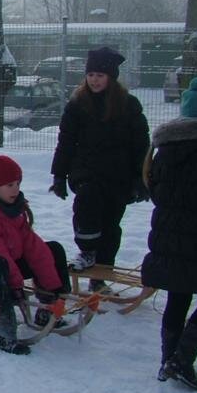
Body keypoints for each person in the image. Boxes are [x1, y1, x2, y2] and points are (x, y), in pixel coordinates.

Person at [49, 46, 151, 290]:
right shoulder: (77, 105)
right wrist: (59, 175)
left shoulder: (128, 105)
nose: (94, 80)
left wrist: (143, 179)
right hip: (86, 171)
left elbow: (141, 145)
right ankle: (87, 251)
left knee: (111, 225)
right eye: (91, 75)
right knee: (87, 203)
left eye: (100, 75)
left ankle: (101, 275)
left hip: (119, 175)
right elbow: (66, 142)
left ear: (111, 77)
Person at [0, 155, 73, 355]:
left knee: (52, 249)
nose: (15, 189)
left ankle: (49, 309)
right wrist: (16, 286)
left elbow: (33, 247)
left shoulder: (13, 210)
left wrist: (53, 287)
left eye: (18, 184)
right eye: (9, 185)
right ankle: (1, 329)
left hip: (8, 265)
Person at [141, 75, 197, 389]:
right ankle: (182, 358)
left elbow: (154, 189)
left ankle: (169, 359)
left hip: (169, 238)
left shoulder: (165, 148)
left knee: (178, 295)